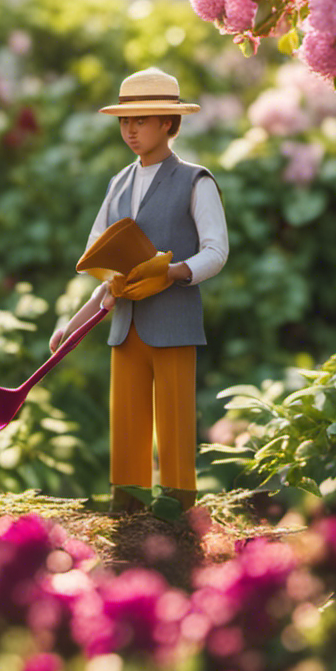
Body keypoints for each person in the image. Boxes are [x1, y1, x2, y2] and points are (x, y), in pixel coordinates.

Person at [50, 68, 229, 512]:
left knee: (174, 422)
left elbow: (217, 252)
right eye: (124, 121)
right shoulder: (118, 184)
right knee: (126, 422)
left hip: (174, 324)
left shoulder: (195, 180)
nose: (131, 130)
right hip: (125, 326)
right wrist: (73, 323)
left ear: (169, 123)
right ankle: (126, 509)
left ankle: (177, 511)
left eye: (142, 120)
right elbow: (104, 260)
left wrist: (172, 273)